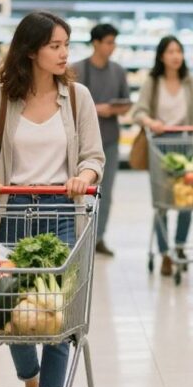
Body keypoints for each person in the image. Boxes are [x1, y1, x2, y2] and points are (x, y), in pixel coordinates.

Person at [0, 11, 105, 387]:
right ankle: (31, 381)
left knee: (56, 314)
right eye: (55, 46)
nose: (65, 53)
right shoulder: (0, 99)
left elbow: (94, 157)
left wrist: (84, 175)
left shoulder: (78, 98)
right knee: (10, 312)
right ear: (31, 51)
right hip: (11, 210)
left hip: (63, 212)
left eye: (66, 44)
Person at [132, 35, 193, 276]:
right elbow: (139, 111)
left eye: (179, 51)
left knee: (186, 201)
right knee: (162, 204)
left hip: (185, 145)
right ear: (161, 56)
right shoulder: (152, 82)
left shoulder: (191, 82)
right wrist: (150, 121)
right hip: (159, 147)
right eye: (170, 51)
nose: (176, 56)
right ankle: (165, 252)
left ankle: (180, 246)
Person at [73, 23, 131, 256]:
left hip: (109, 140)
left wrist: (113, 109)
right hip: (81, 144)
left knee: (105, 193)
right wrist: (96, 109)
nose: (111, 47)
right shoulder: (77, 70)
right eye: (108, 42)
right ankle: (80, 236)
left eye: (113, 42)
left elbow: (126, 105)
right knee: (81, 191)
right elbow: (70, 105)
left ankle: (99, 238)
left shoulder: (118, 71)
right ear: (95, 43)